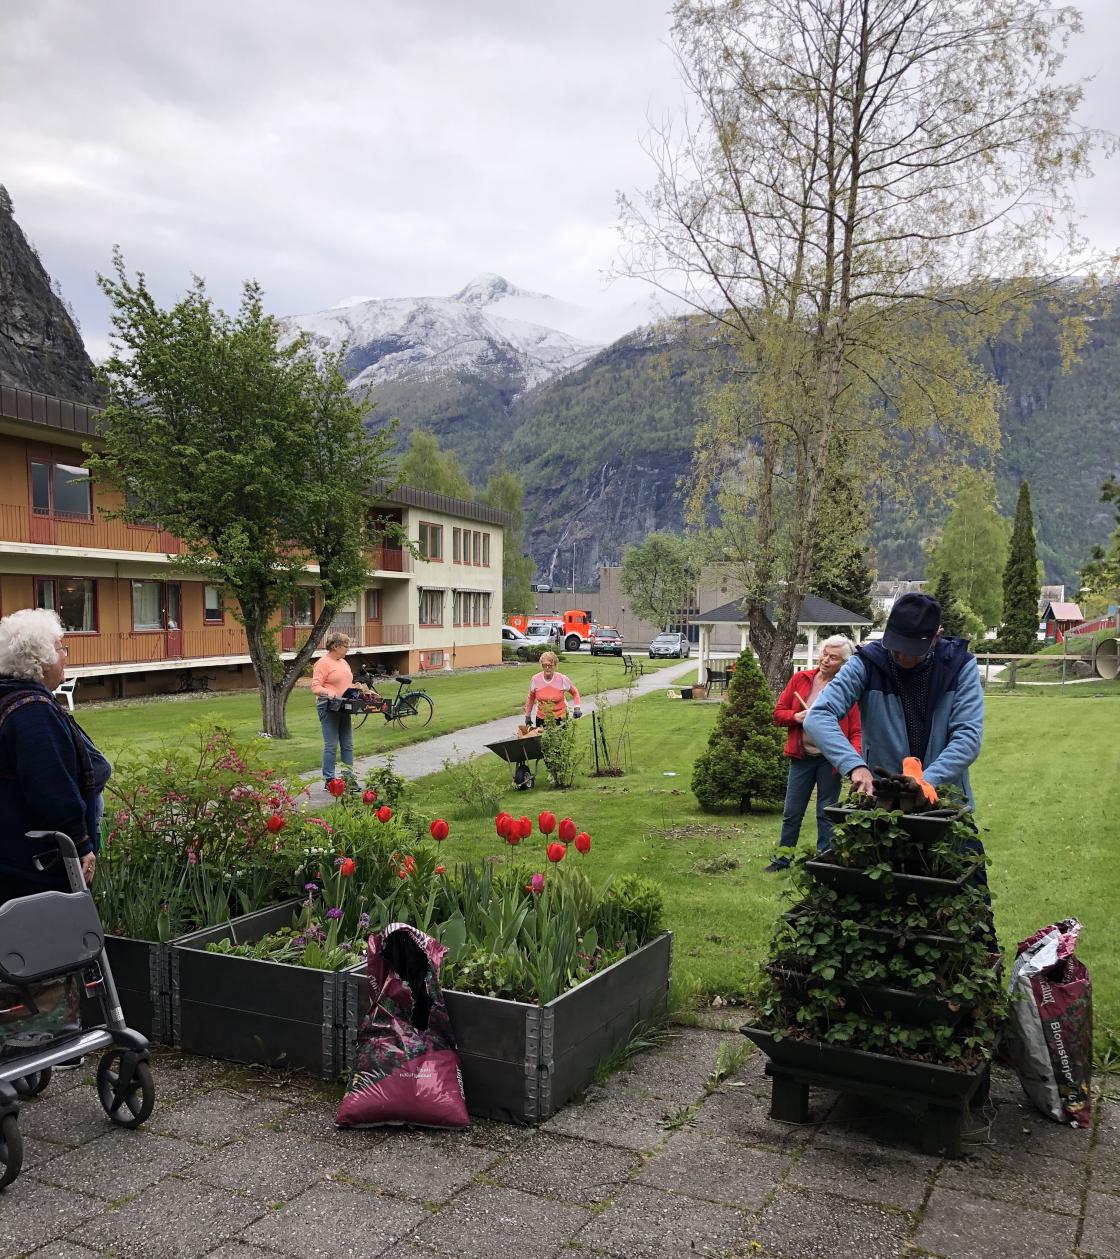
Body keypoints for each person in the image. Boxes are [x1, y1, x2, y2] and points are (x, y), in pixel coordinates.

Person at [803, 593, 983, 805]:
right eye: (896, 647)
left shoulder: (959, 666)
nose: (903, 656)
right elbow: (818, 716)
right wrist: (854, 766)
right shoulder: (867, 663)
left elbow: (968, 736)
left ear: (936, 636)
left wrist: (926, 782)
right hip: (884, 801)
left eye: (913, 650)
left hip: (945, 801)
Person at [0, 608, 112, 905]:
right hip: (36, 866)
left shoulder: (14, 700)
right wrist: (80, 842)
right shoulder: (31, 712)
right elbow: (51, 787)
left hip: (16, 858)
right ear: (41, 660)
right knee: (54, 941)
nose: (65, 656)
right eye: (61, 648)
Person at [765, 635, 862, 872]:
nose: (826, 660)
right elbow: (778, 713)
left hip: (830, 761)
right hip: (802, 757)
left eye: (833, 657)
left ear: (844, 663)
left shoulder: (847, 688)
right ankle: (782, 859)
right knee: (792, 811)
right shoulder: (801, 679)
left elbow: (856, 731)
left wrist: (853, 763)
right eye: (824, 654)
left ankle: (822, 860)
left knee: (826, 813)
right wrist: (795, 717)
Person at [312, 632, 355, 781]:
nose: (348, 649)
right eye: (345, 646)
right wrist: (328, 691)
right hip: (328, 708)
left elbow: (346, 683)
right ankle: (329, 780)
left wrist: (357, 690)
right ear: (334, 646)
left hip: (344, 706)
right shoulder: (322, 663)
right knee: (331, 746)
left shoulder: (344, 662)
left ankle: (348, 779)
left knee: (347, 744)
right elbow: (315, 687)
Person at [524, 651, 582, 726]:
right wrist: (527, 715)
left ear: (555, 665)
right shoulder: (535, 679)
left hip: (561, 718)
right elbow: (531, 697)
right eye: (545, 665)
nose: (547, 668)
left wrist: (577, 708)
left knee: (561, 737)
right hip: (541, 719)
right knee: (542, 738)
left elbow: (575, 692)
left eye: (550, 665)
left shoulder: (562, 679)